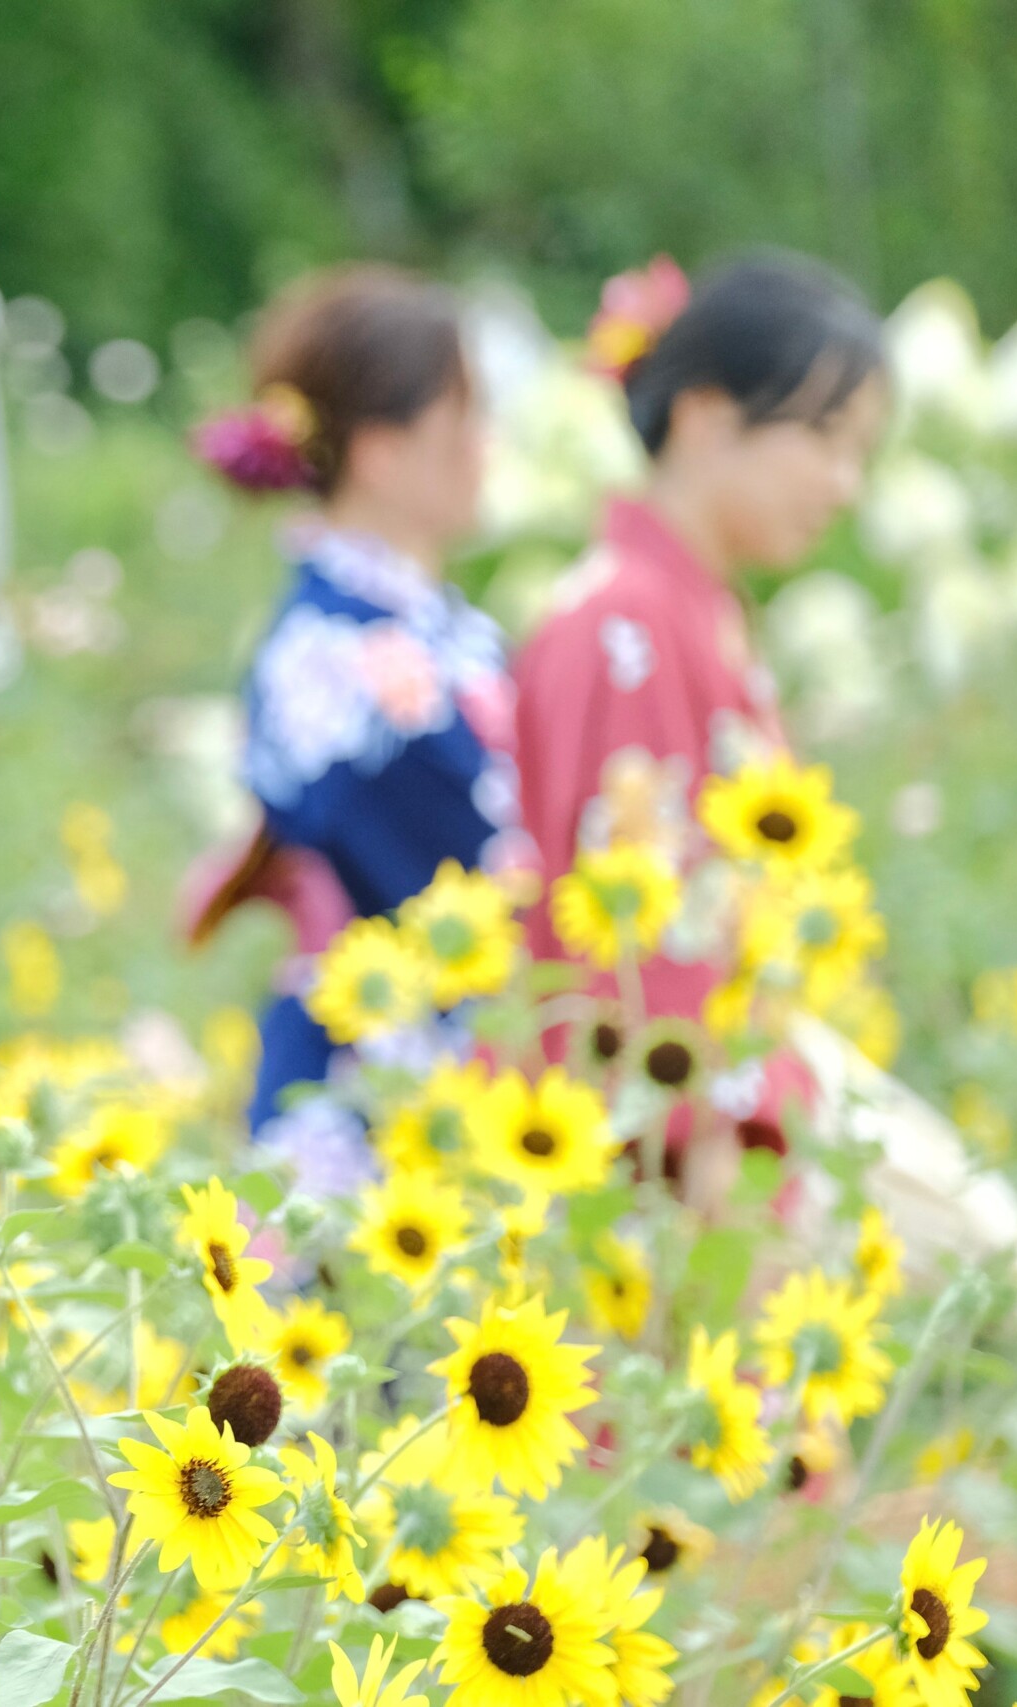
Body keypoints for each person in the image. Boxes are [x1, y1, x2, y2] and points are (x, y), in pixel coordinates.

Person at [513, 251, 888, 1167]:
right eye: (825, 438)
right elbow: (639, 944)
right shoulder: (624, 624)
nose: (845, 485)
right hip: (677, 1158)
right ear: (707, 418)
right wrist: (718, 1156)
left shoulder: (689, 608)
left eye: (861, 453)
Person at [182, 265, 532, 1186]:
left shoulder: (416, 627)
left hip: (455, 1070)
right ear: (380, 450)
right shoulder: (330, 656)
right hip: (377, 1091)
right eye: (466, 422)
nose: (486, 448)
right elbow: (463, 860)